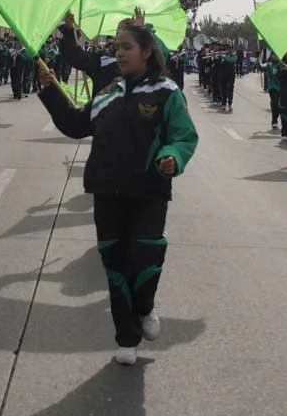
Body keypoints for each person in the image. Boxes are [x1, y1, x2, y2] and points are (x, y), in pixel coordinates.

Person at [37, 24, 198, 366]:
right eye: (116, 47)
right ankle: (126, 338)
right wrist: (51, 90)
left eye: (126, 47)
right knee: (114, 264)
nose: (119, 53)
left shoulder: (167, 92)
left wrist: (173, 157)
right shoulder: (108, 92)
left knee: (145, 258)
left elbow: (183, 136)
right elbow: (77, 125)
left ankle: (145, 306)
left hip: (148, 191)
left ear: (147, 51)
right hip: (106, 190)